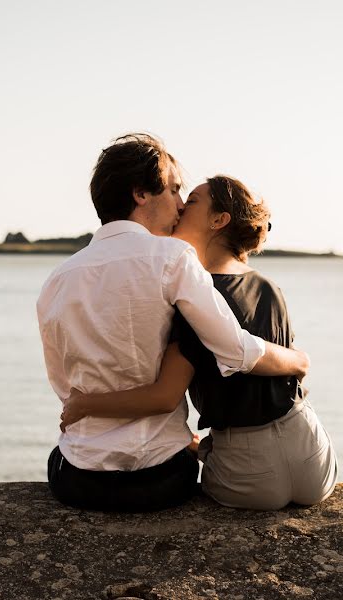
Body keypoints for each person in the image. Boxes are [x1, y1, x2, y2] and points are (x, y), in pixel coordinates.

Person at [36, 134, 310, 512]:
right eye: (174, 190)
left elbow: (65, 388)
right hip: (159, 479)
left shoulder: (57, 280)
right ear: (140, 194)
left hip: (79, 480)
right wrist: (298, 361)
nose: (180, 206)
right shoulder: (173, 257)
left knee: (61, 456)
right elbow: (233, 350)